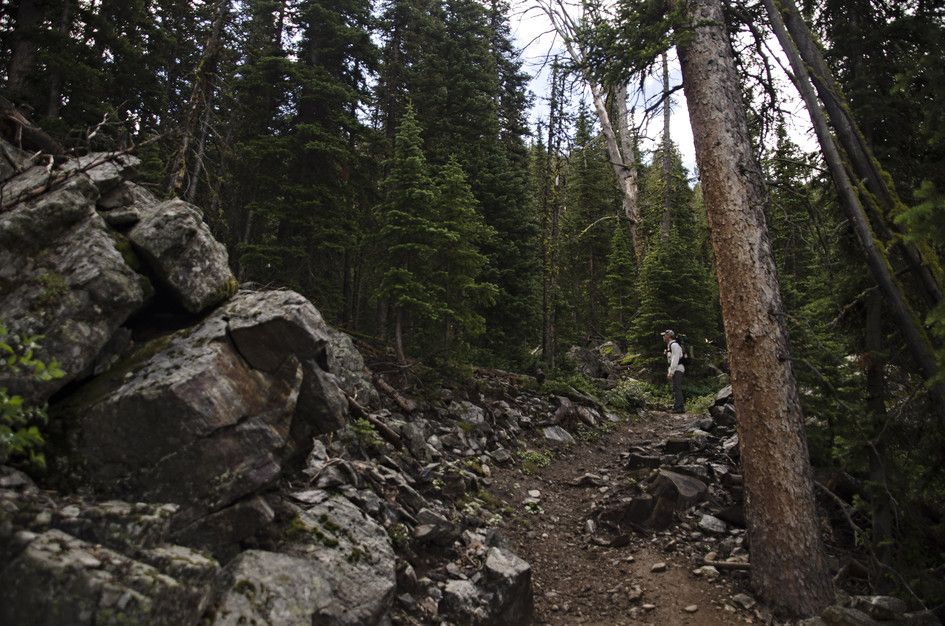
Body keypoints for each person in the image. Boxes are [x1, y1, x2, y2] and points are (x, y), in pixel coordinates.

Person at [661, 329, 685, 413]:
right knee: (675, 388)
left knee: (677, 388)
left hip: (678, 369)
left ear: (669, 336)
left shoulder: (674, 345)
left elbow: (675, 359)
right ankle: (677, 406)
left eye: (664, 335)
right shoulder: (670, 345)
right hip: (676, 369)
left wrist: (671, 372)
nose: (663, 337)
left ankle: (679, 408)